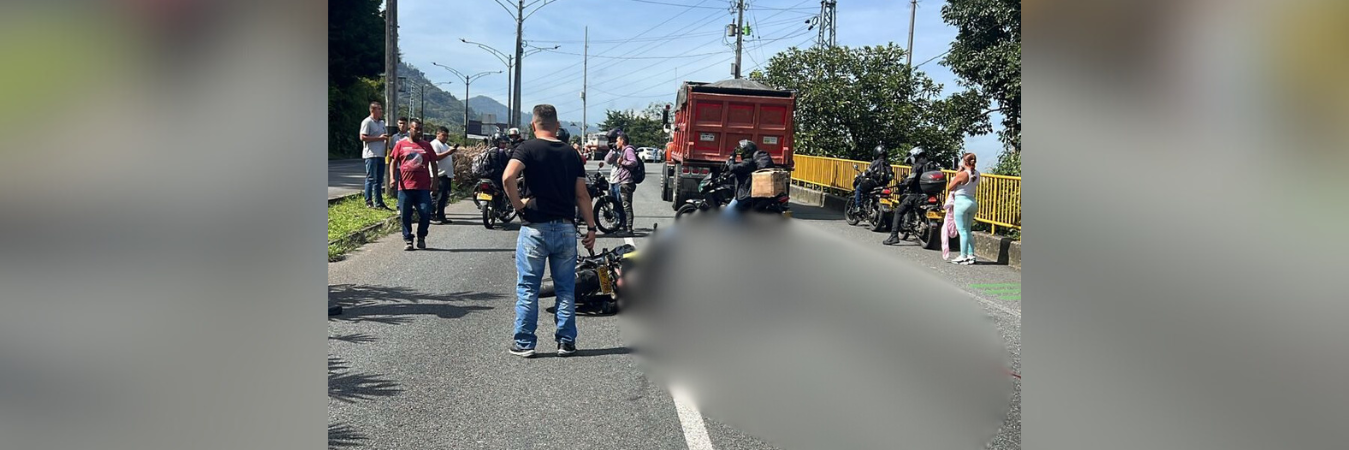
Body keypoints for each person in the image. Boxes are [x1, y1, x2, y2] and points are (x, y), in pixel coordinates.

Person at [502, 104, 597, 358]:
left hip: (534, 228)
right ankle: (566, 342)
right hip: (566, 228)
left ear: (533, 125)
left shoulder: (526, 148)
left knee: (528, 288)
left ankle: (524, 343)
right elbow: (582, 195)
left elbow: (507, 177)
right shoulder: (571, 154)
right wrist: (591, 227)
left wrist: (518, 205)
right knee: (565, 288)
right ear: (557, 125)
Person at [387, 119, 438, 251]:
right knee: (405, 214)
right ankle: (408, 239)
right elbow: (393, 162)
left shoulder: (427, 146)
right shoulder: (400, 145)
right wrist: (392, 178)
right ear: (410, 129)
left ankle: (421, 236)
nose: (419, 131)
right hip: (405, 188)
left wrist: (435, 181)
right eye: (416, 129)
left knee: (426, 213)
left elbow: (433, 163)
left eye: (421, 129)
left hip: (423, 187)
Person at [724, 139, 776, 214]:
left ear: (747, 151)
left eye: (742, 151)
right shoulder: (752, 162)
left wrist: (732, 158)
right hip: (748, 195)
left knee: (728, 213)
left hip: (745, 195)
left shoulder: (748, 162)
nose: (740, 153)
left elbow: (733, 168)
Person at [946, 153, 980, 264]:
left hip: (961, 202)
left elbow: (950, 186)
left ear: (964, 162)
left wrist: (957, 173)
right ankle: (971, 255)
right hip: (972, 202)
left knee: (962, 231)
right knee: (968, 230)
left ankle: (963, 255)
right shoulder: (977, 174)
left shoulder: (963, 174)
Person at [603, 134, 639, 234]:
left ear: (622, 141)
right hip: (619, 180)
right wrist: (613, 151)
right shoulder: (621, 150)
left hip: (626, 181)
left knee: (626, 205)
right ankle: (620, 224)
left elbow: (634, 162)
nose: (616, 142)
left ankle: (628, 227)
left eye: (617, 140)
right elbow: (607, 160)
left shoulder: (628, 150)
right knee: (619, 203)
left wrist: (622, 162)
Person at [359, 102, 392, 209]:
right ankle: (368, 201)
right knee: (371, 178)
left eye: (381, 109)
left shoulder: (382, 123)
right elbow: (363, 137)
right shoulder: (367, 122)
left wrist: (386, 150)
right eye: (379, 109)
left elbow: (385, 137)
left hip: (381, 154)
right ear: (372, 110)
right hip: (371, 154)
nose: (381, 111)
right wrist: (379, 138)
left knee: (379, 180)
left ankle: (379, 202)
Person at [430, 126, 459, 224]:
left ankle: (441, 215)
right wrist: (448, 152)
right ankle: (432, 215)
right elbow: (435, 157)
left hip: (446, 175)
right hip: (438, 175)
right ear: (437, 134)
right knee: (436, 196)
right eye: (443, 135)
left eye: (447, 136)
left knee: (444, 197)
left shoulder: (445, 145)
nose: (445, 137)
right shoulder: (435, 144)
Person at [386, 117, 410, 207]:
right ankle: (399, 204)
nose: (402, 125)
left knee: (406, 186)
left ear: (407, 125)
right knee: (397, 187)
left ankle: (406, 204)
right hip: (397, 166)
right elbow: (391, 152)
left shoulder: (410, 137)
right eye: (400, 123)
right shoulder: (394, 138)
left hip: (407, 166)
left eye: (404, 123)